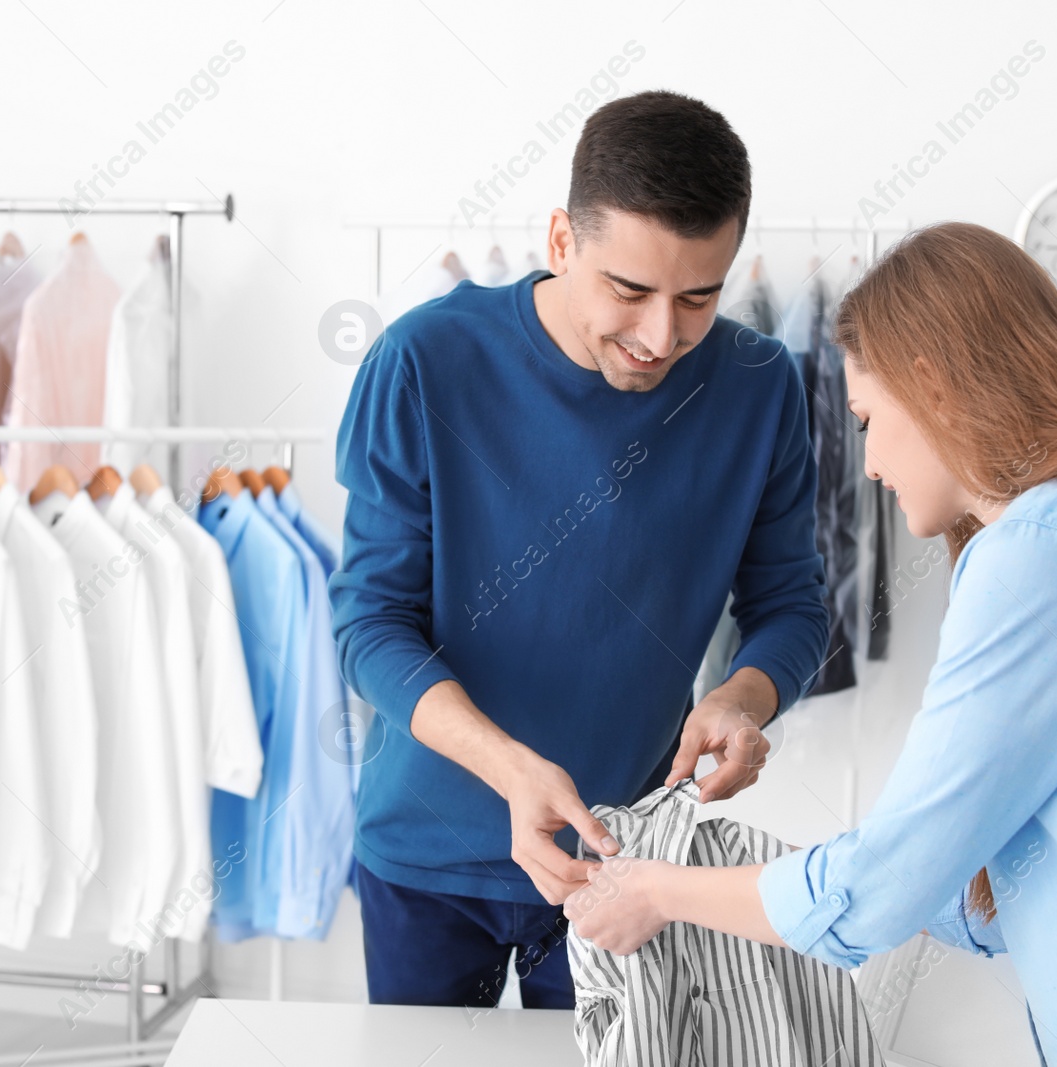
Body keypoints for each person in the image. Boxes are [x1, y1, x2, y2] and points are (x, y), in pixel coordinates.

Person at [568, 220, 1057, 1064]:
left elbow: (879, 893)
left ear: (935, 388)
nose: (866, 462)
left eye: (868, 418)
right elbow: (974, 897)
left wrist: (657, 889)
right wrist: (738, 866)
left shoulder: (1052, 547)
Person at [328, 90, 831, 1008]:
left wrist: (739, 698)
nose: (660, 337)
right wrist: (509, 768)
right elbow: (369, 620)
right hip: (427, 856)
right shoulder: (424, 360)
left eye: (699, 298)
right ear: (562, 241)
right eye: (630, 291)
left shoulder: (760, 387)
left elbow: (793, 605)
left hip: (628, 861)